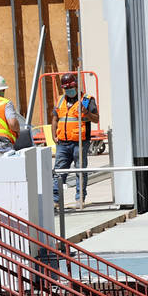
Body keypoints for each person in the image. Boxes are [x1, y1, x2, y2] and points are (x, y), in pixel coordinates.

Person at [51, 72, 98, 207]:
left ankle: (80, 198)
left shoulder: (87, 100)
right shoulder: (60, 100)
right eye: (66, 88)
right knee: (59, 172)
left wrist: (86, 113)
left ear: (76, 85)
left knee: (80, 171)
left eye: (70, 87)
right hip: (63, 143)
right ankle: (55, 200)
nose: (68, 90)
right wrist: (54, 135)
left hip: (80, 143)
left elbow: (96, 119)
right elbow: (55, 119)